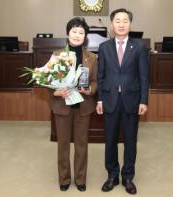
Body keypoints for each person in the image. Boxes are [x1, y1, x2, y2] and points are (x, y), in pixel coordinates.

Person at [96, 8, 149, 195]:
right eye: (117, 20)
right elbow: (100, 76)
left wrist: (144, 100)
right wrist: (100, 100)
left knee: (130, 140)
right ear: (112, 24)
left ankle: (128, 177)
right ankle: (112, 175)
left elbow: (144, 77)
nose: (121, 24)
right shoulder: (104, 48)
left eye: (125, 20)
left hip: (132, 100)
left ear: (130, 24)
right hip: (110, 99)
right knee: (110, 140)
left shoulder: (140, 47)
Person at [50, 17, 97, 192]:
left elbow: (95, 81)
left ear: (85, 36)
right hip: (62, 106)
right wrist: (56, 91)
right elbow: (48, 81)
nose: (77, 35)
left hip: (83, 107)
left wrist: (90, 90)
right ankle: (64, 178)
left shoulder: (91, 57)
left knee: (81, 144)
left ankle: (80, 178)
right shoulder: (57, 55)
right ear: (68, 33)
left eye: (81, 32)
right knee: (62, 144)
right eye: (74, 31)